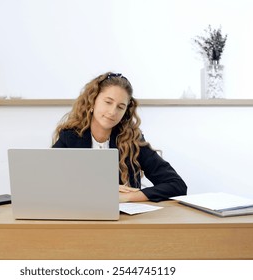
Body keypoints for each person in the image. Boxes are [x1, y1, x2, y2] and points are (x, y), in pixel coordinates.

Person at [52, 72, 187, 202]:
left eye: (120, 107)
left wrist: (128, 197)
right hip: (81, 216)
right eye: (108, 102)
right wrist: (106, 192)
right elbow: (51, 184)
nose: (113, 112)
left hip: (122, 221)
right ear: (92, 102)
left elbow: (177, 185)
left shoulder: (132, 140)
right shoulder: (69, 137)